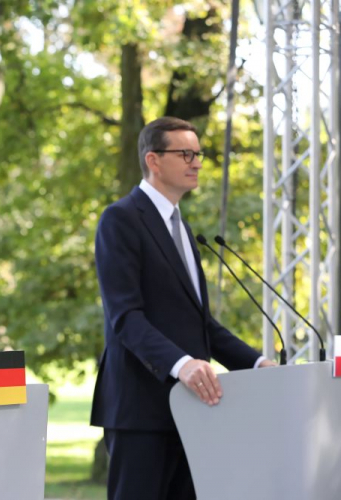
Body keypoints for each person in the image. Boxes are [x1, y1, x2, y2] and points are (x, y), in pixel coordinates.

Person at [90, 117, 276, 500]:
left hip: (194, 412)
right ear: (154, 161)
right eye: (185, 153)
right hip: (141, 410)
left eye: (199, 154)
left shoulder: (183, 229)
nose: (196, 162)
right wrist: (182, 364)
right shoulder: (121, 219)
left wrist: (258, 366)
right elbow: (126, 317)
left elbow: (200, 324)